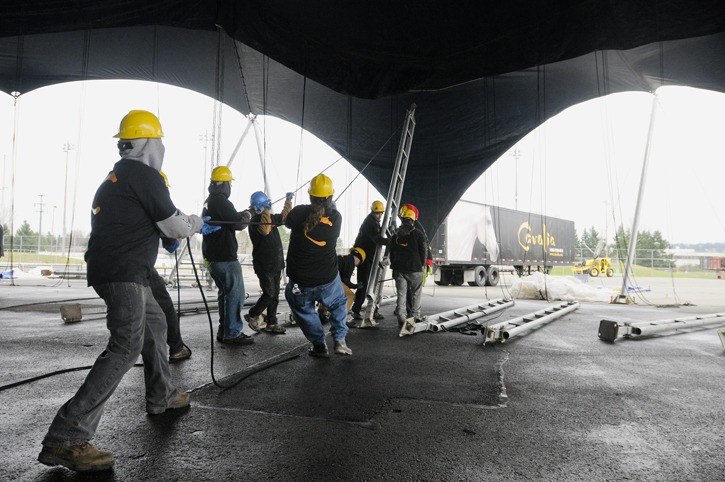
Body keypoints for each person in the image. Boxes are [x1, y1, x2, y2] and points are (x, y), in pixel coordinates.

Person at [38, 110, 212, 472]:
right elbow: (173, 225)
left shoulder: (116, 176)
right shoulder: (144, 174)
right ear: (150, 144)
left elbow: (154, 224)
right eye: (159, 141)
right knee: (125, 346)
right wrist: (194, 223)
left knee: (156, 324)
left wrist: (176, 228)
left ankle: (161, 395)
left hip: (123, 270)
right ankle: (66, 437)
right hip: (125, 273)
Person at [284, 173, 351, 357]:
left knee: (303, 310)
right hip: (327, 277)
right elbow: (327, 213)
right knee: (338, 303)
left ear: (310, 196)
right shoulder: (336, 219)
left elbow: (287, 221)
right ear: (331, 197)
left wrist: (289, 201)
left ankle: (319, 345)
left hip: (301, 281)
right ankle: (339, 340)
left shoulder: (298, 212)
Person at [202, 166, 255, 345]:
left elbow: (231, 217)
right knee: (235, 295)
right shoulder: (220, 200)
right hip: (224, 257)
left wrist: (247, 212)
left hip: (213, 257)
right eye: (229, 183)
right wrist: (250, 213)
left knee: (225, 294)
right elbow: (238, 224)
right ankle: (232, 332)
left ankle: (224, 331)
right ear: (225, 184)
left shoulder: (210, 201)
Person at [245, 190, 294, 334]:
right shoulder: (255, 221)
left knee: (275, 295)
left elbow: (285, 219)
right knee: (269, 293)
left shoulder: (269, 217)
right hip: (264, 264)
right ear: (262, 206)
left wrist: (288, 201)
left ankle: (272, 323)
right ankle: (253, 314)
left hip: (276, 263)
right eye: (267, 204)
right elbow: (265, 229)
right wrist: (266, 210)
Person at [390, 207, 427, 328]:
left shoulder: (396, 235)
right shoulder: (418, 234)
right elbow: (423, 251)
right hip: (415, 269)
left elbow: (392, 253)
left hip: (400, 270)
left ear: (402, 219)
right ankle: (414, 318)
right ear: (413, 220)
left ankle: (401, 318)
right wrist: (421, 265)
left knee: (401, 295)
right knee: (416, 294)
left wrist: (394, 267)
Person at [350, 200, 385, 321]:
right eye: (377, 213)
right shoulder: (370, 222)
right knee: (363, 284)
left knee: (373, 284)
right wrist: (390, 240)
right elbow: (376, 239)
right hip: (364, 258)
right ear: (372, 212)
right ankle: (356, 310)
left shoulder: (374, 222)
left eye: (381, 213)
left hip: (370, 256)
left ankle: (372, 310)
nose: (379, 216)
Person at [399, 203, 433, 318]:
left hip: (415, 265)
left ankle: (409, 314)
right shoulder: (417, 227)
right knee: (414, 291)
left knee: (410, 291)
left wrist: (423, 264)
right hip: (418, 264)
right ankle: (413, 315)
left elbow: (423, 247)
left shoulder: (413, 230)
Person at [317, 247, 366, 325]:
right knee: (350, 295)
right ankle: (341, 318)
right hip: (331, 280)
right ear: (357, 257)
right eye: (359, 262)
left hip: (321, 278)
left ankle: (321, 313)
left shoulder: (343, 258)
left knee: (326, 294)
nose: (357, 265)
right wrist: (355, 286)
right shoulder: (351, 262)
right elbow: (345, 279)